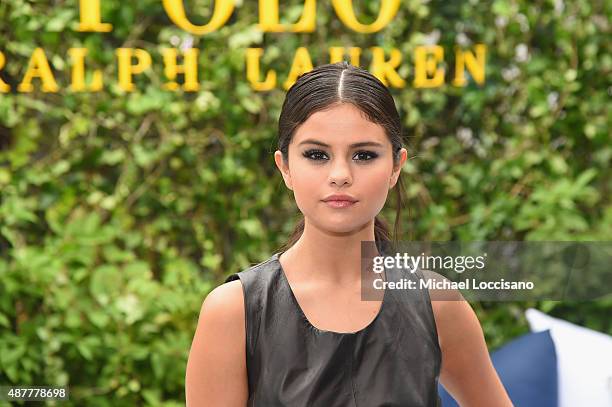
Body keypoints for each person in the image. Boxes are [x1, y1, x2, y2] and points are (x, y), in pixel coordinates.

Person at [185, 61, 513, 406]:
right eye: (316, 154)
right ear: (285, 168)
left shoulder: (435, 303)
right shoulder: (235, 311)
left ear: (396, 166)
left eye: (364, 155)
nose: (340, 174)